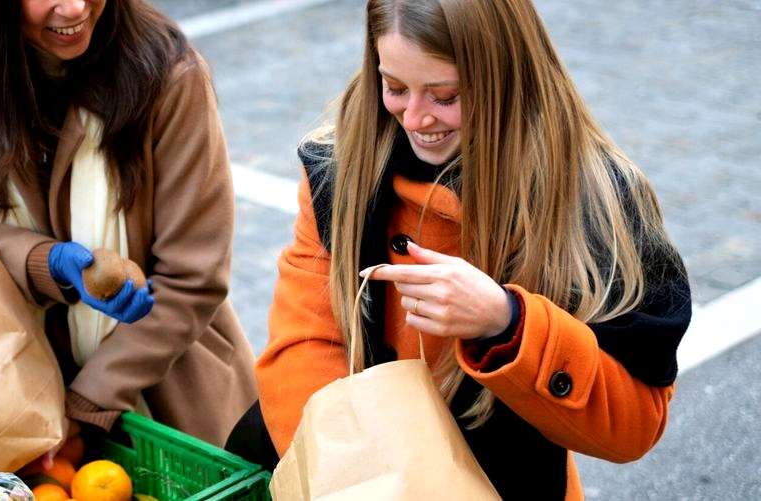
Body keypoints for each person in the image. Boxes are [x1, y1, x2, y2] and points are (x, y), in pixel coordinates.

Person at [251, 0, 691, 498]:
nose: (415, 118)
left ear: (503, 76)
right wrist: (356, 477)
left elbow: (634, 425)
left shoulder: (596, 198)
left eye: (445, 96)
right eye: (393, 87)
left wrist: (507, 324)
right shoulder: (338, 168)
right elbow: (305, 347)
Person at [0, 0, 257, 454]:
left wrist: (88, 400)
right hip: (11, 383)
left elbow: (192, 279)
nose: (75, 7)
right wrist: (45, 264)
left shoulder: (168, 74)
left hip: (166, 390)